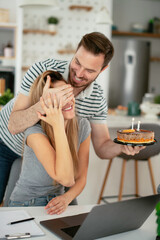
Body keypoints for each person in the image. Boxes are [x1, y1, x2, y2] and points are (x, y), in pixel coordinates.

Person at [0, 32, 144, 205]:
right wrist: (43, 104)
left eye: (90, 70)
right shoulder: (44, 70)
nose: (79, 73)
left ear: (103, 69)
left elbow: (102, 147)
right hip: (6, 143)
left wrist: (122, 146)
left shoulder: (96, 99)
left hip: (52, 154)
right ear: (75, 52)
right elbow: (14, 125)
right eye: (77, 62)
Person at [8, 70, 91, 214]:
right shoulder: (34, 132)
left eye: (67, 94)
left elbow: (80, 178)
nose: (67, 101)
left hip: (58, 201)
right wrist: (58, 124)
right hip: (26, 204)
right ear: (45, 104)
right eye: (57, 97)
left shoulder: (82, 126)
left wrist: (66, 198)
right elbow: (66, 180)